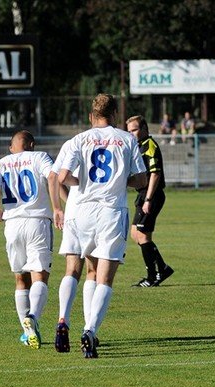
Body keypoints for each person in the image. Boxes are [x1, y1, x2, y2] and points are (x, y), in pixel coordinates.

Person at [58, 93, 147, 358]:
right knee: (105, 277)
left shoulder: (80, 139)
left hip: (82, 211)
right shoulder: (127, 139)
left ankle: (64, 319)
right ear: (115, 115)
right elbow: (141, 179)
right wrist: (121, 182)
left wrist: (82, 183)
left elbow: (62, 177)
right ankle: (90, 330)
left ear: (91, 116)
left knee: (88, 270)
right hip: (111, 212)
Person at [0, 130, 62, 350]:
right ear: (32, 144)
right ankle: (33, 317)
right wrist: (58, 206)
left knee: (21, 279)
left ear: (11, 148)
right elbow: (53, 177)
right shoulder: (39, 157)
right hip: (37, 221)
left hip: (12, 225)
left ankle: (27, 333)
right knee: (40, 277)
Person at [51, 139, 98, 353]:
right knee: (93, 271)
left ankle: (63, 320)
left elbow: (54, 177)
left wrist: (60, 207)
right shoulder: (111, 142)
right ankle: (89, 330)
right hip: (95, 212)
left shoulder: (72, 143)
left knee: (71, 269)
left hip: (73, 213)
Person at [126, 115, 174, 288]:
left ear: (145, 129)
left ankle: (152, 276)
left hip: (151, 195)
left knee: (142, 235)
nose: (131, 134)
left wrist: (148, 199)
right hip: (143, 194)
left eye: (135, 129)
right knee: (135, 234)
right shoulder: (138, 147)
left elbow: (155, 173)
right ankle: (162, 268)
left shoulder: (149, 146)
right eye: (129, 131)